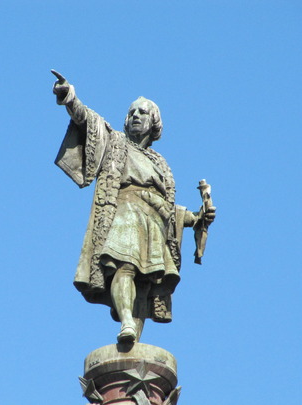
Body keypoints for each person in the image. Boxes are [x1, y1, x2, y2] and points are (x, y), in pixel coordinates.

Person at [52, 70, 216, 343]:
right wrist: (70, 98)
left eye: (142, 112)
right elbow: (88, 120)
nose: (135, 116)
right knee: (124, 266)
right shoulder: (115, 142)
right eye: (132, 112)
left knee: (145, 284)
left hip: (154, 224)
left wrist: (197, 217)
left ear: (154, 123)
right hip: (125, 213)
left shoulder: (160, 163)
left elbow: (169, 209)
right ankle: (126, 321)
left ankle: (133, 337)